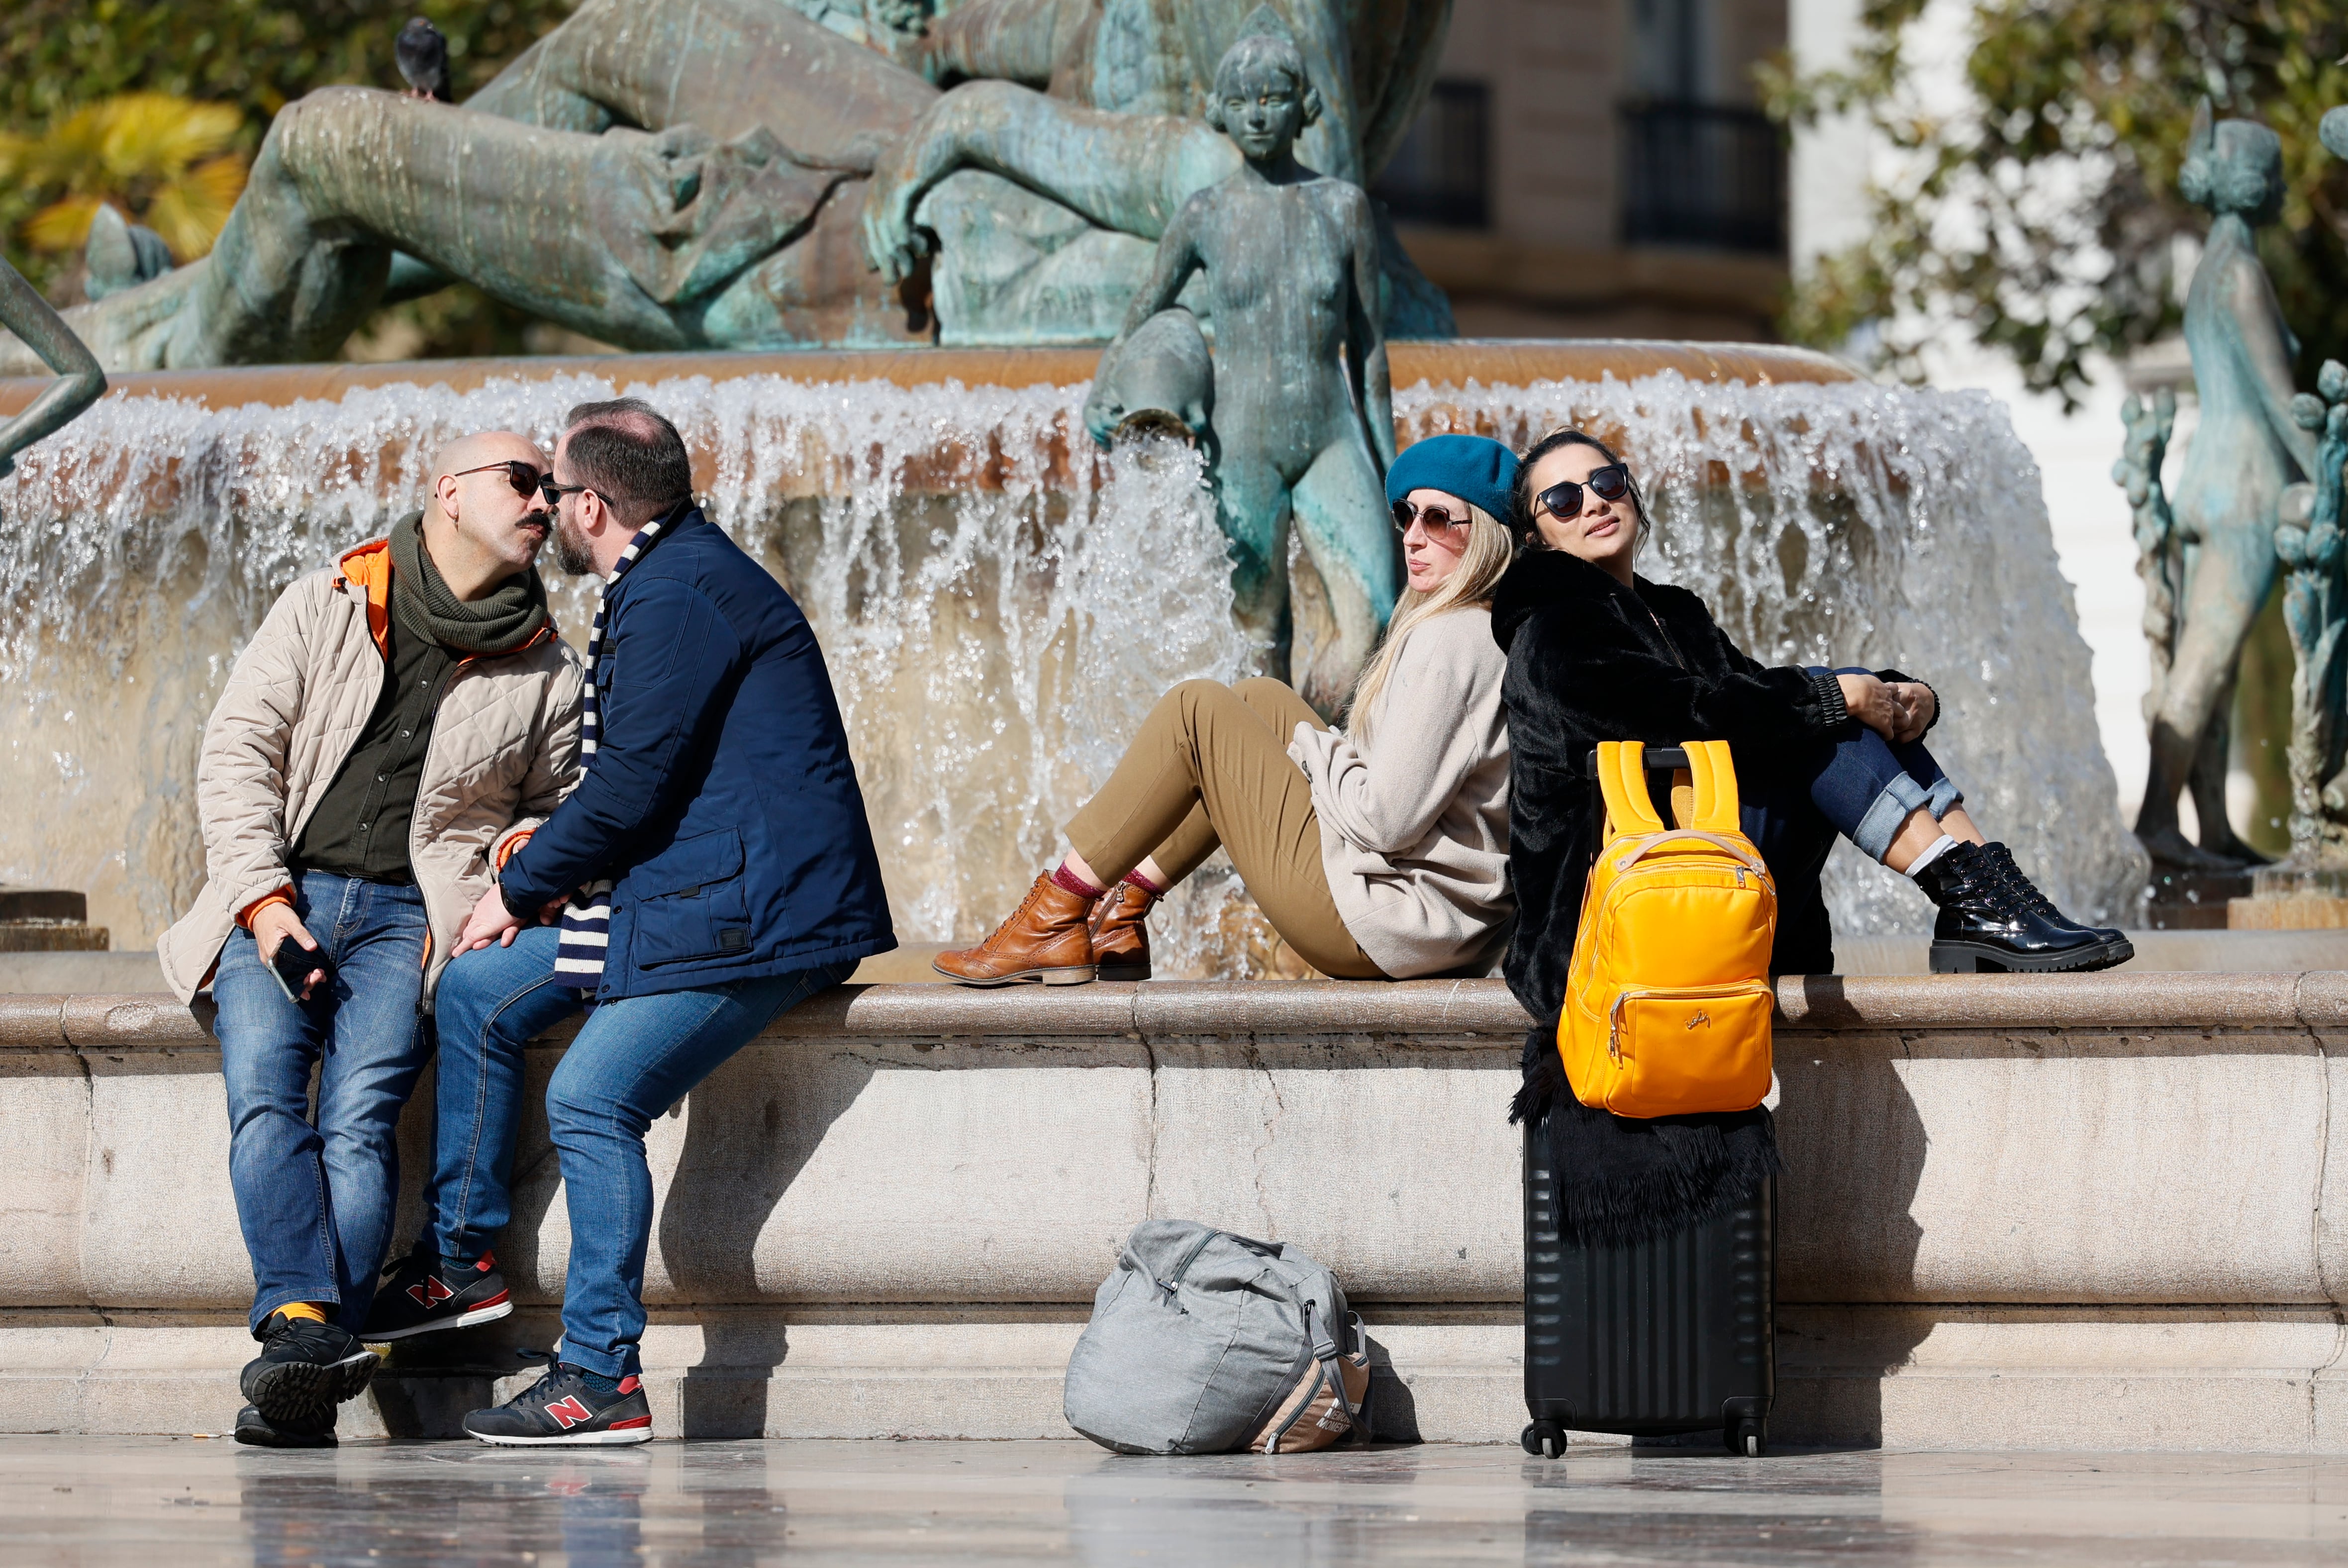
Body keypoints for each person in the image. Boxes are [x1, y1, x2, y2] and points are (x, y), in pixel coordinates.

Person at [363, 398, 897, 1446]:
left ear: (593, 505)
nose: (543, 509)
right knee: (480, 989)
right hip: (690, 896)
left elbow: (633, 790)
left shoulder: (677, 595)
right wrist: (549, 854)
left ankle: (601, 1374)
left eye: (551, 492)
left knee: (593, 1094)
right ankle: (462, 1264)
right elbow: (647, 784)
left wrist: (515, 893)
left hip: (751, 923)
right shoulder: (665, 574)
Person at [1494, 426, 2132, 1248]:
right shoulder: (1552, 627)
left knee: (1836, 705)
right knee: (1820, 720)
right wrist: (1846, 698)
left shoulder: (1670, 610)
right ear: (1538, 530)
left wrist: (1900, 697)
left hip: (1690, 877)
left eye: (1607, 480)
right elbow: (1694, 712)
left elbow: (1749, 690)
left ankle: (1985, 893)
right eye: (1564, 498)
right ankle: (1969, 899)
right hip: (1608, 918)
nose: (1595, 502)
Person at [157, 432, 584, 1448]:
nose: (542, 501)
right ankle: (310, 1330)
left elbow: (560, 806)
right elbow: (239, 751)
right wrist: (265, 907)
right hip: (284, 894)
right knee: (266, 1095)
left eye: (551, 490)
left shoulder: (548, 664)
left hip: (406, 921)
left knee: (357, 1119)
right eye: (522, 481)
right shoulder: (330, 601)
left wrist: (517, 861)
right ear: (449, 491)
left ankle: (302, 1352)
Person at [935, 432, 1519, 986]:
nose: (1413, 536)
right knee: (1259, 700)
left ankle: (1055, 913)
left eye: (1438, 518)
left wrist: (1318, 750)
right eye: (1406, 516)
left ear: (1488, 533)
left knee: (1197, 710)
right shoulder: (1482, 627)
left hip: (1392, 926)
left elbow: (1387, 820)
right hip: (1436, 927)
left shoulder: (1451, 639)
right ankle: (1121, 912)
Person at [1080, 27, 1397, 687]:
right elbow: (1145, 308)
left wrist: (1393, 468)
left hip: (1331, 434)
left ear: (1303, 106)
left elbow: (1368, 352)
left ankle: (1311, 744)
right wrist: (1107, 386)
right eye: (1242, 100)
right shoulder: (1204, 214)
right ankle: (1272, 776)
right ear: (1219, 111)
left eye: (1274, 98)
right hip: (1242, 441)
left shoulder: (1344, 208)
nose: (1257, 114)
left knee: (1374, 619)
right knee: (1260, 635)